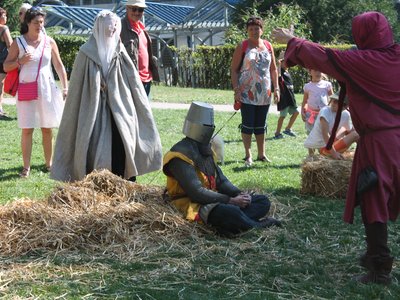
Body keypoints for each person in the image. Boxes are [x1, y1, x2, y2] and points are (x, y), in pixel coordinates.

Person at [273, 11, 400, 284]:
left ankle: (380, 269)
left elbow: (325, 57)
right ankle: (374, 257)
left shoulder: (364, 61)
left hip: (380, 143)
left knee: (373, 201)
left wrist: (292, 40)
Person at [51, 10, 162, 182]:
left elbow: (133, 84)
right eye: (109, 28)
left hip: (120, 109)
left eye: (114, 27)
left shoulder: (120, 51)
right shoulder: (85, 53)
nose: (112, 31)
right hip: (93, 111)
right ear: (99, 28)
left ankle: (124, 181)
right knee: (93, 145)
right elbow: (77, 91)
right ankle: (96, 184)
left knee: (123, 143)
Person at [163, 101, 281, 236]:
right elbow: (196, 192)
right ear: (198, 127)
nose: (210, 128)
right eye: (207, 125)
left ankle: (232, 225)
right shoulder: (179, 156)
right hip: (191, 204)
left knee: (262, 201)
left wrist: (239, 194)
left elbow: (221, 181)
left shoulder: (205, 149)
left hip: (214, 200)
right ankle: (256, 225)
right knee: (230, 212)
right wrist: (230, 200)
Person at [3, 7, 68, 178]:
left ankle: (49, 164)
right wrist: (19, 61)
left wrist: (65, 86)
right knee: (27, 129)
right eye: (35, 22)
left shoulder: (49, 41)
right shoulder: (19, 42)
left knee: (47, 128)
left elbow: (59, 66)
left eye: (41, 22)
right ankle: (26, 167)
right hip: (26, 88)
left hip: (47, 89)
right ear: (27, 23)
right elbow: (5, 66)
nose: (39, 25)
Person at [230, 16, 279, 167]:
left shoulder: (268, 45)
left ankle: (261, 154)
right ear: (247, 31)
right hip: (246, 92)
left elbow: (274, 69)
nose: (254, 31)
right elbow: (233, 69)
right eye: (251, 29)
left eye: (257, 28)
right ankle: (248, 155)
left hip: (265, 92)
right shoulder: (243, 46)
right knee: (248, 124)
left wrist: (276, 88)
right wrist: (236, 89)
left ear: (262, 30)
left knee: (261, 124)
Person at [120, 0, 159, 97]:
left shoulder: (142, 28)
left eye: (140, 10)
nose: (137, 12)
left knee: (145, 111)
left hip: (147, 79)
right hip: (130, 80)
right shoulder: (119, 27)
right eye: (134, 9)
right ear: (127, 9)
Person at [304, 92, 359, 159]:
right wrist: (334, 153)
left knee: (351, 131)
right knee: (356, 134)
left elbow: (350, 130)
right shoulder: (325, 111)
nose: (333, 104)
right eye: (333, 101)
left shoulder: (346, 114)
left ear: (345, 106)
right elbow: (325, 134)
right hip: (325, 149)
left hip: (331, 144)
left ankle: (363, 155)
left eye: (337, 102)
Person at [302, 69, 333, 155]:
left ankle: (322, 154)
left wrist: (329, 109)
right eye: (315, 71)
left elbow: (332, 99)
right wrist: (302, 111)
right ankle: (311, 155)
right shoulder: (307, 86)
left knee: (323, 134)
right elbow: (305, 101)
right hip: (311, 115)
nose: (318, 73)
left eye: (319, 70)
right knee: (310, 134)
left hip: (323, 115)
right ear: (310, 72)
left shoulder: (327, 85)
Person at [273, 53, 299, 139]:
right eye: (285, 62)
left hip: (290, 98)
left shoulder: (287, 72)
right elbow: (278, 75)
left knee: (296, 112)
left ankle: (288, 129)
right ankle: (277, 133)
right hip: (284, 98)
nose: (287, 63)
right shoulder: (280, 72)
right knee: (283, 116)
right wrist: (279, 65)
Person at [0, 7, 13, 118]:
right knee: (0, 84)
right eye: (4, 15)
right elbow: (10, 44)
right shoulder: (4, 28)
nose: (6, 18)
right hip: (2, 60)